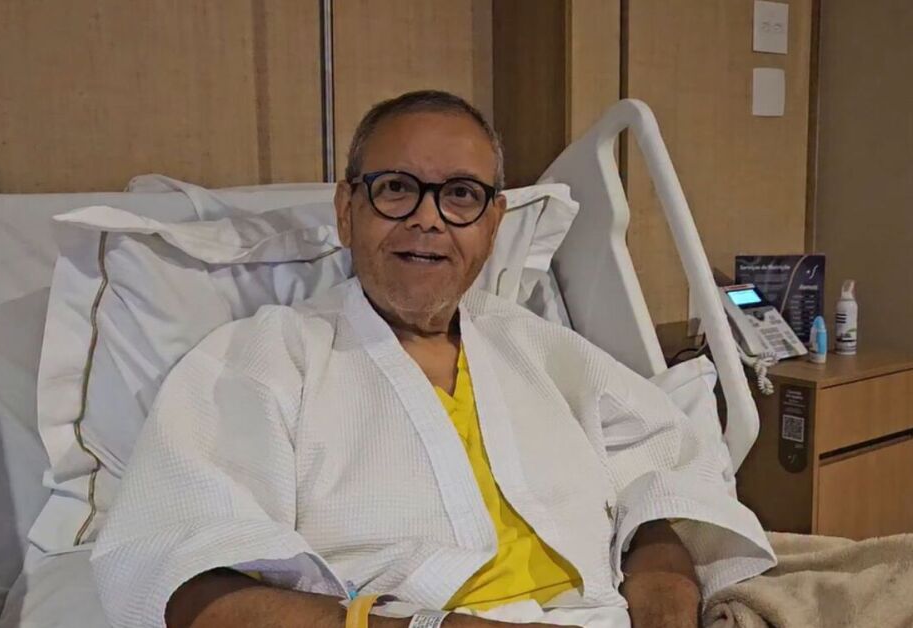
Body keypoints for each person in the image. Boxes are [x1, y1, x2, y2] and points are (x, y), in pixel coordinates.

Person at [92, 90, 775, 628]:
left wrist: (663, 585)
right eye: (396, 188)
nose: (428, 218)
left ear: (492, 225)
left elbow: (662, 481)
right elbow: (188, 587)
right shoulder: (263, 357)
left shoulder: (537, 347)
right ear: (346, 210)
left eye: (460, 196)